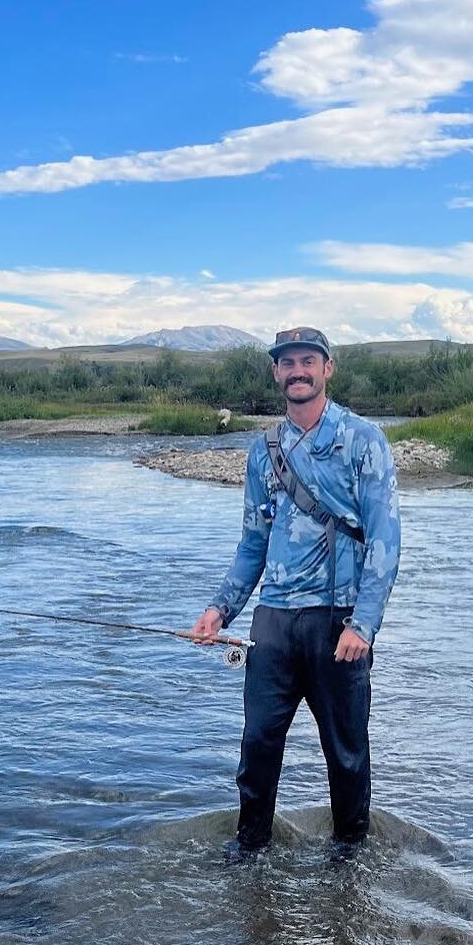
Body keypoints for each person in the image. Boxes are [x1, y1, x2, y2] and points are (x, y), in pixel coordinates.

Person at [193, 327, 400, 857]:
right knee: (258, 744)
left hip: (339, 623)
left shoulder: (363, 440)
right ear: (276, 373)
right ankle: (250, 850)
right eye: (288, 363)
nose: (298, 371)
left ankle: (349, 857)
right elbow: (251, 543)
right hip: (273, 621)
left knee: (346, 752)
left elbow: (385, 540)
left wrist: (365, 623)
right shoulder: (263, 451)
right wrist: (220, 610)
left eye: (309, 361)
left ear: (328, 368)